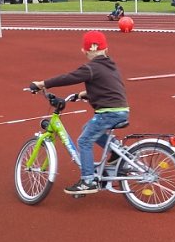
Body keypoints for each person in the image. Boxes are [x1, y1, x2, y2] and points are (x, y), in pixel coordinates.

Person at [31, 30, 130, 195]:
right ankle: (118, 150)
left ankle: (88, 180)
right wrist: (81, 95)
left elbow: (69, 77)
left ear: (86, 50)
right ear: (106, 49)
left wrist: (43, 84)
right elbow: (108, 86)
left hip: (108, 112)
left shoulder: (91, 67)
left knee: (84, 141)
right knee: (87, 129)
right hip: (120, 109)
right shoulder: (110, 65)